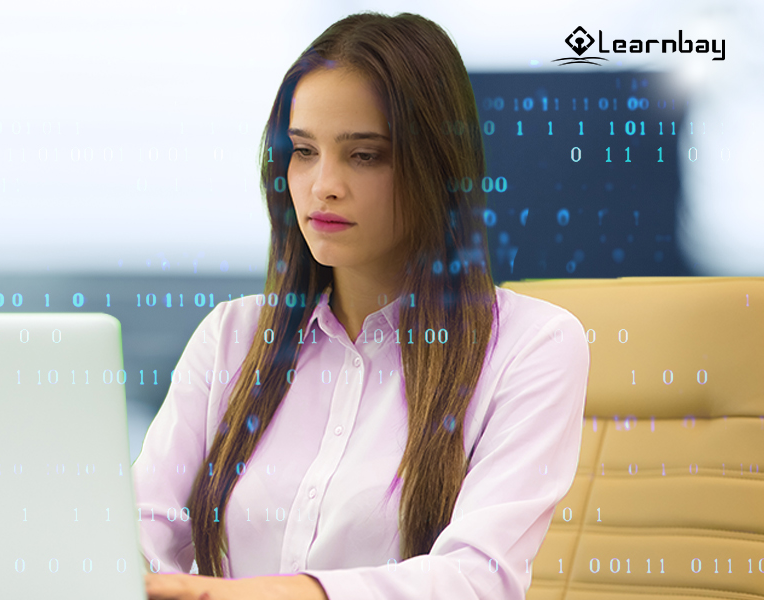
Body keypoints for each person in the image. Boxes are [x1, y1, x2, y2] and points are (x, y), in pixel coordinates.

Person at [135, 12, 591, 600]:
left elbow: (477, 580)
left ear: (436, 168)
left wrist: (246, 594)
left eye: (364, 155)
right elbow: (141, 528)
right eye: (303, 151)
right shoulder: (233, 336)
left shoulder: (533, 344)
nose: (323, 184)